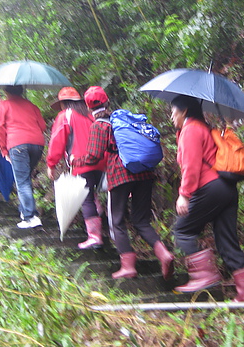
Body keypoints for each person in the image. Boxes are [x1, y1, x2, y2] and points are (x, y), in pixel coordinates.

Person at [70, 86, 174, 280]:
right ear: (107, 102)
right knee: (141, 220)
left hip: (120, 175)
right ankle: (163, 254)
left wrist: (75, 160)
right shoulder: (124, 121)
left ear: (88, 107)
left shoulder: (100, 126)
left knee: (116, 220)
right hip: (144, 173)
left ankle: (128, 266)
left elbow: (93, 157)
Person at [169, 95, 244, 302]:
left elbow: (191, 166)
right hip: (226, 188)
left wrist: (184, 195)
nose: (171, 117)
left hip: (210, 186)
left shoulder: (191, 130)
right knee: (227, 241)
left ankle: (205, 276)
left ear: (185, 111)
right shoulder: (203, 127)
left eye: (173, 112)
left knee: (182, 230)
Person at [47, 87, 106, 248]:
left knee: (86, 198)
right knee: (92, 194)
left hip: (81, 162)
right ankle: (102, 221)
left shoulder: (65, 115)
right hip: (102, 162)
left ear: (62, 103)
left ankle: (95, 237)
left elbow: (57, 140)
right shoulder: (90, 114)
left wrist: (51, 163)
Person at [0, 85, 46, 228]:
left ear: (6, 91)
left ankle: (31, 217)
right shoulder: (32, 105)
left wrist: (4, 150)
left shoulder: (3, 106)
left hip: (17, 144)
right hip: (37, 144)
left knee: (22, 181)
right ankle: (24, 211)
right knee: (25, 178)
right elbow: (42, 126)